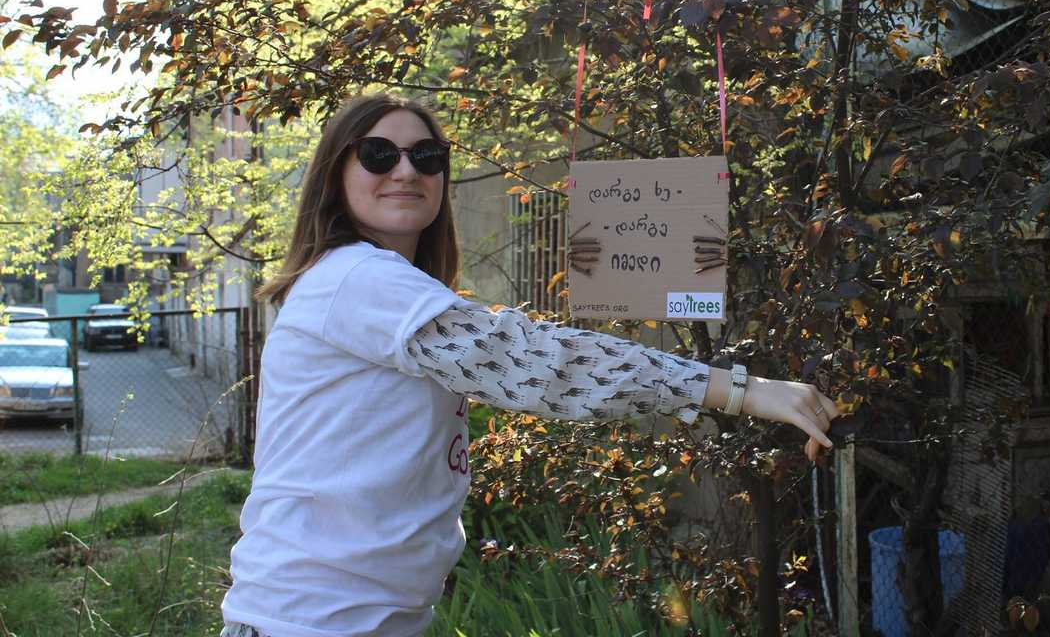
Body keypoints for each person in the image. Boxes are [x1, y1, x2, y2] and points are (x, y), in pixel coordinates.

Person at [220, 92, 840, 637]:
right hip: (309, 621)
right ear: (336, 175)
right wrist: (742, 390)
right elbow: (536, 364)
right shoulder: (357, 278)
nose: (406, 170)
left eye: (427, 157)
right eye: (379, 155)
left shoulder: (380, 284)